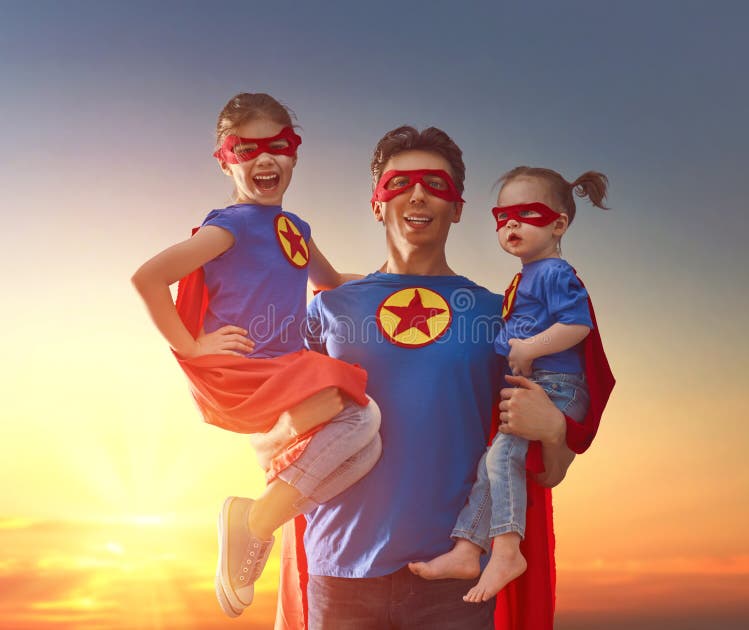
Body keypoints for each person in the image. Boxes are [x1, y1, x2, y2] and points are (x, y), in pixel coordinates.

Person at [261, 127, 609, 630]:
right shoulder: (331, 308)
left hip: (455, 581)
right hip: (339, 571)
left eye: (435, 184)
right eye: (400, 182)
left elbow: (546, 472)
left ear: (459, 207)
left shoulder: (504, 314)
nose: (417, 194)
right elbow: (280, 428)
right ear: (377, 203)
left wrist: (554, 429)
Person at [131, 92, 381, 619]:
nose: (265, 159)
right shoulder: (231, 225)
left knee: (365, 450)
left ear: (295, 153)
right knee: (363, 416)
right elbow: (148, 278)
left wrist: (391, 282)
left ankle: (257, 518)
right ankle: (255, 523)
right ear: (226, 160)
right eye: (246, 149)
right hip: (247, 372)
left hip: (286, 368)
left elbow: (330, 283)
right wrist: (193, 345)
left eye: (279, 146)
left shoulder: (295, 229)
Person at [408, 166, 612, 603]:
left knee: (501, 458)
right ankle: (468, 547)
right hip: (540, 382)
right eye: (502, 216)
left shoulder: (555, 273)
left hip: (554, 386)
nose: (511, 224)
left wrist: (531, 348)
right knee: (492, 464)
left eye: (527, 213)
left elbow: (577, 326)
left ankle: (506, 551)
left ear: (559, 223)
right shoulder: (528, 276)